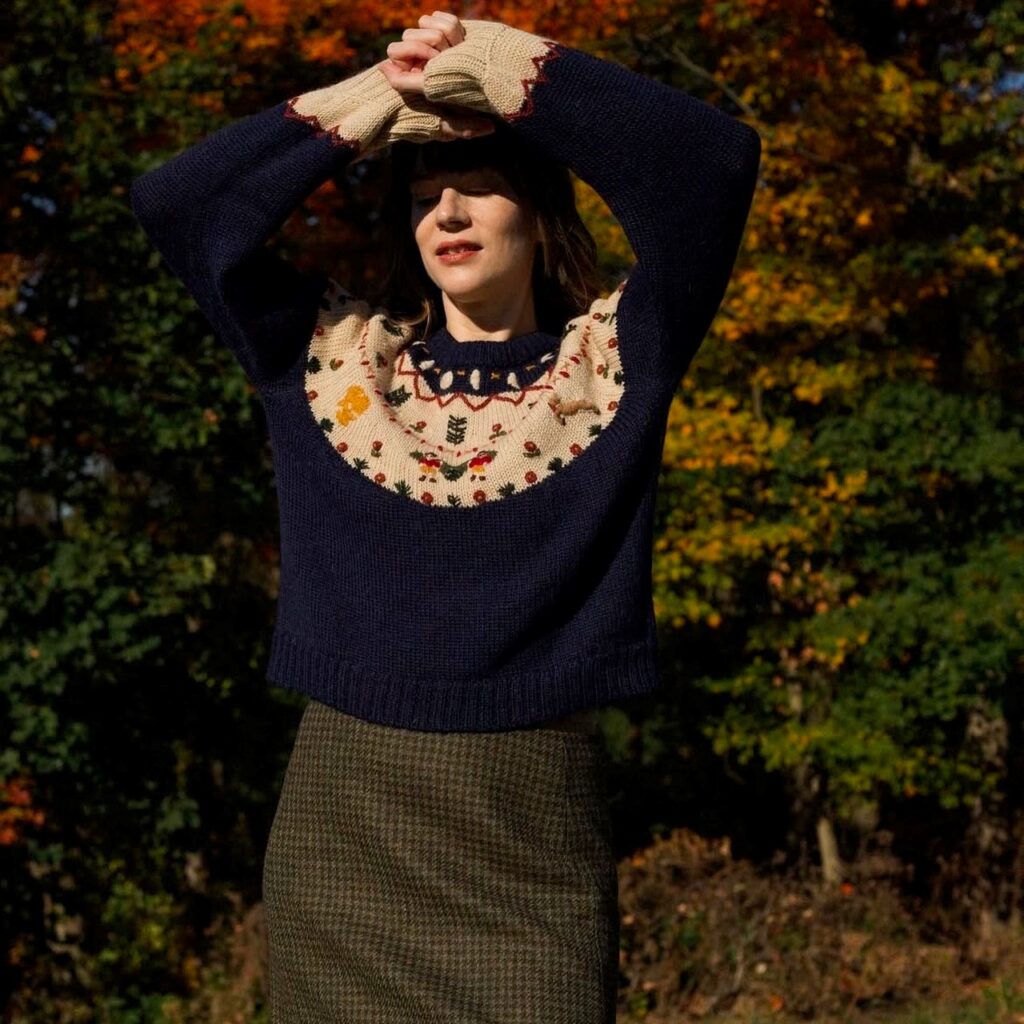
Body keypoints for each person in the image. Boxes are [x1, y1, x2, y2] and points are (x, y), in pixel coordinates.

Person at [129, 9, 761, 1022]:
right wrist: (380, 98)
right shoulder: (332, 360)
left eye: (478, 187)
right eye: (425, 199)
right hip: (345, 843)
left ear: (540, 212)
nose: (448, 213)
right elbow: (179, 205)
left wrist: (497, 65)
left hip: (531, 851)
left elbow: (710, 167)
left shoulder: (615, 357)